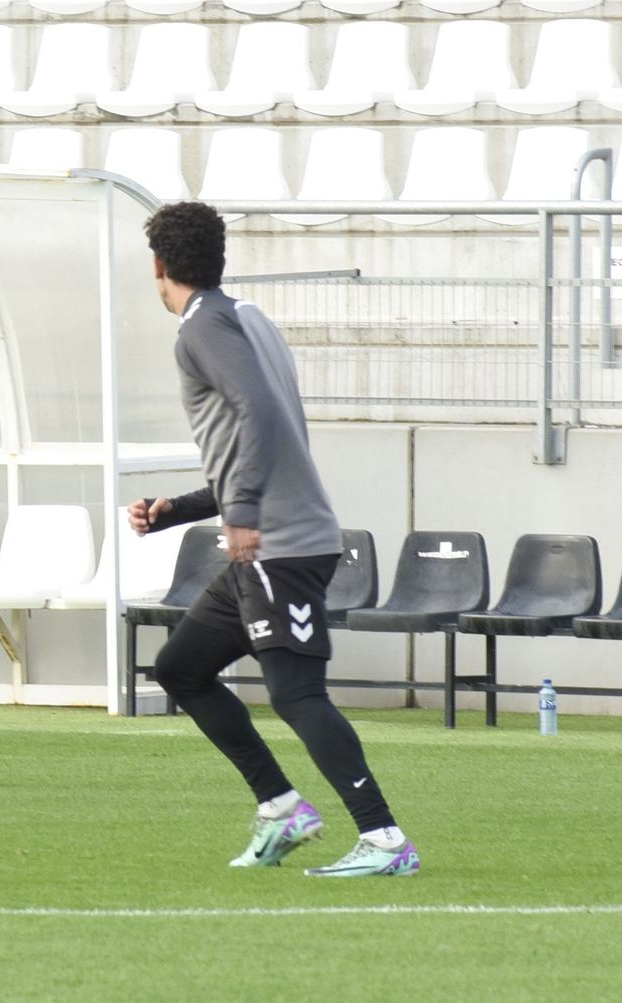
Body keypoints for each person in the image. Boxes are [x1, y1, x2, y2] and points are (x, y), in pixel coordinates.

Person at [131, 202, 419, 876]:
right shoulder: (251, 320)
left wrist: (244, 514)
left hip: (279, 546)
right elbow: (265, 434)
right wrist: (180, 509)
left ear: (159, 266)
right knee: (181, 670)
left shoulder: (200, 330)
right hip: (274, 539)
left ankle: (384, 839)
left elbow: (258, 414)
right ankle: (281, 806)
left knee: (295, 694)